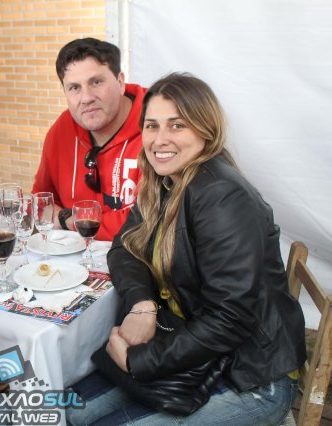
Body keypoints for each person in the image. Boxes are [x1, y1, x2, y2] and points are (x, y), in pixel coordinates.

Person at [67, 73, 306, 425]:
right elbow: (124, 249)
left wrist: (139, 361)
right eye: (152, 126)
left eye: (177, 125)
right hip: (195, 350)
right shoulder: (164, 181)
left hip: (250, 376)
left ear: (206, 130)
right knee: (64, 412)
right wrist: (143, 305)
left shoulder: (222, 196)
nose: (159, 139)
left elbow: (230, 319)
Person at [32, 38, 146, 241]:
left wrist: (69, 220)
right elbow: (41, 203)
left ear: (120, 82)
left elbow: (146, 222)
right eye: (74, 88)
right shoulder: (62, 129)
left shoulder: (156, 128)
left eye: (96, 82)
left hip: (136, 257)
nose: (86, 98)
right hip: (74, 258)